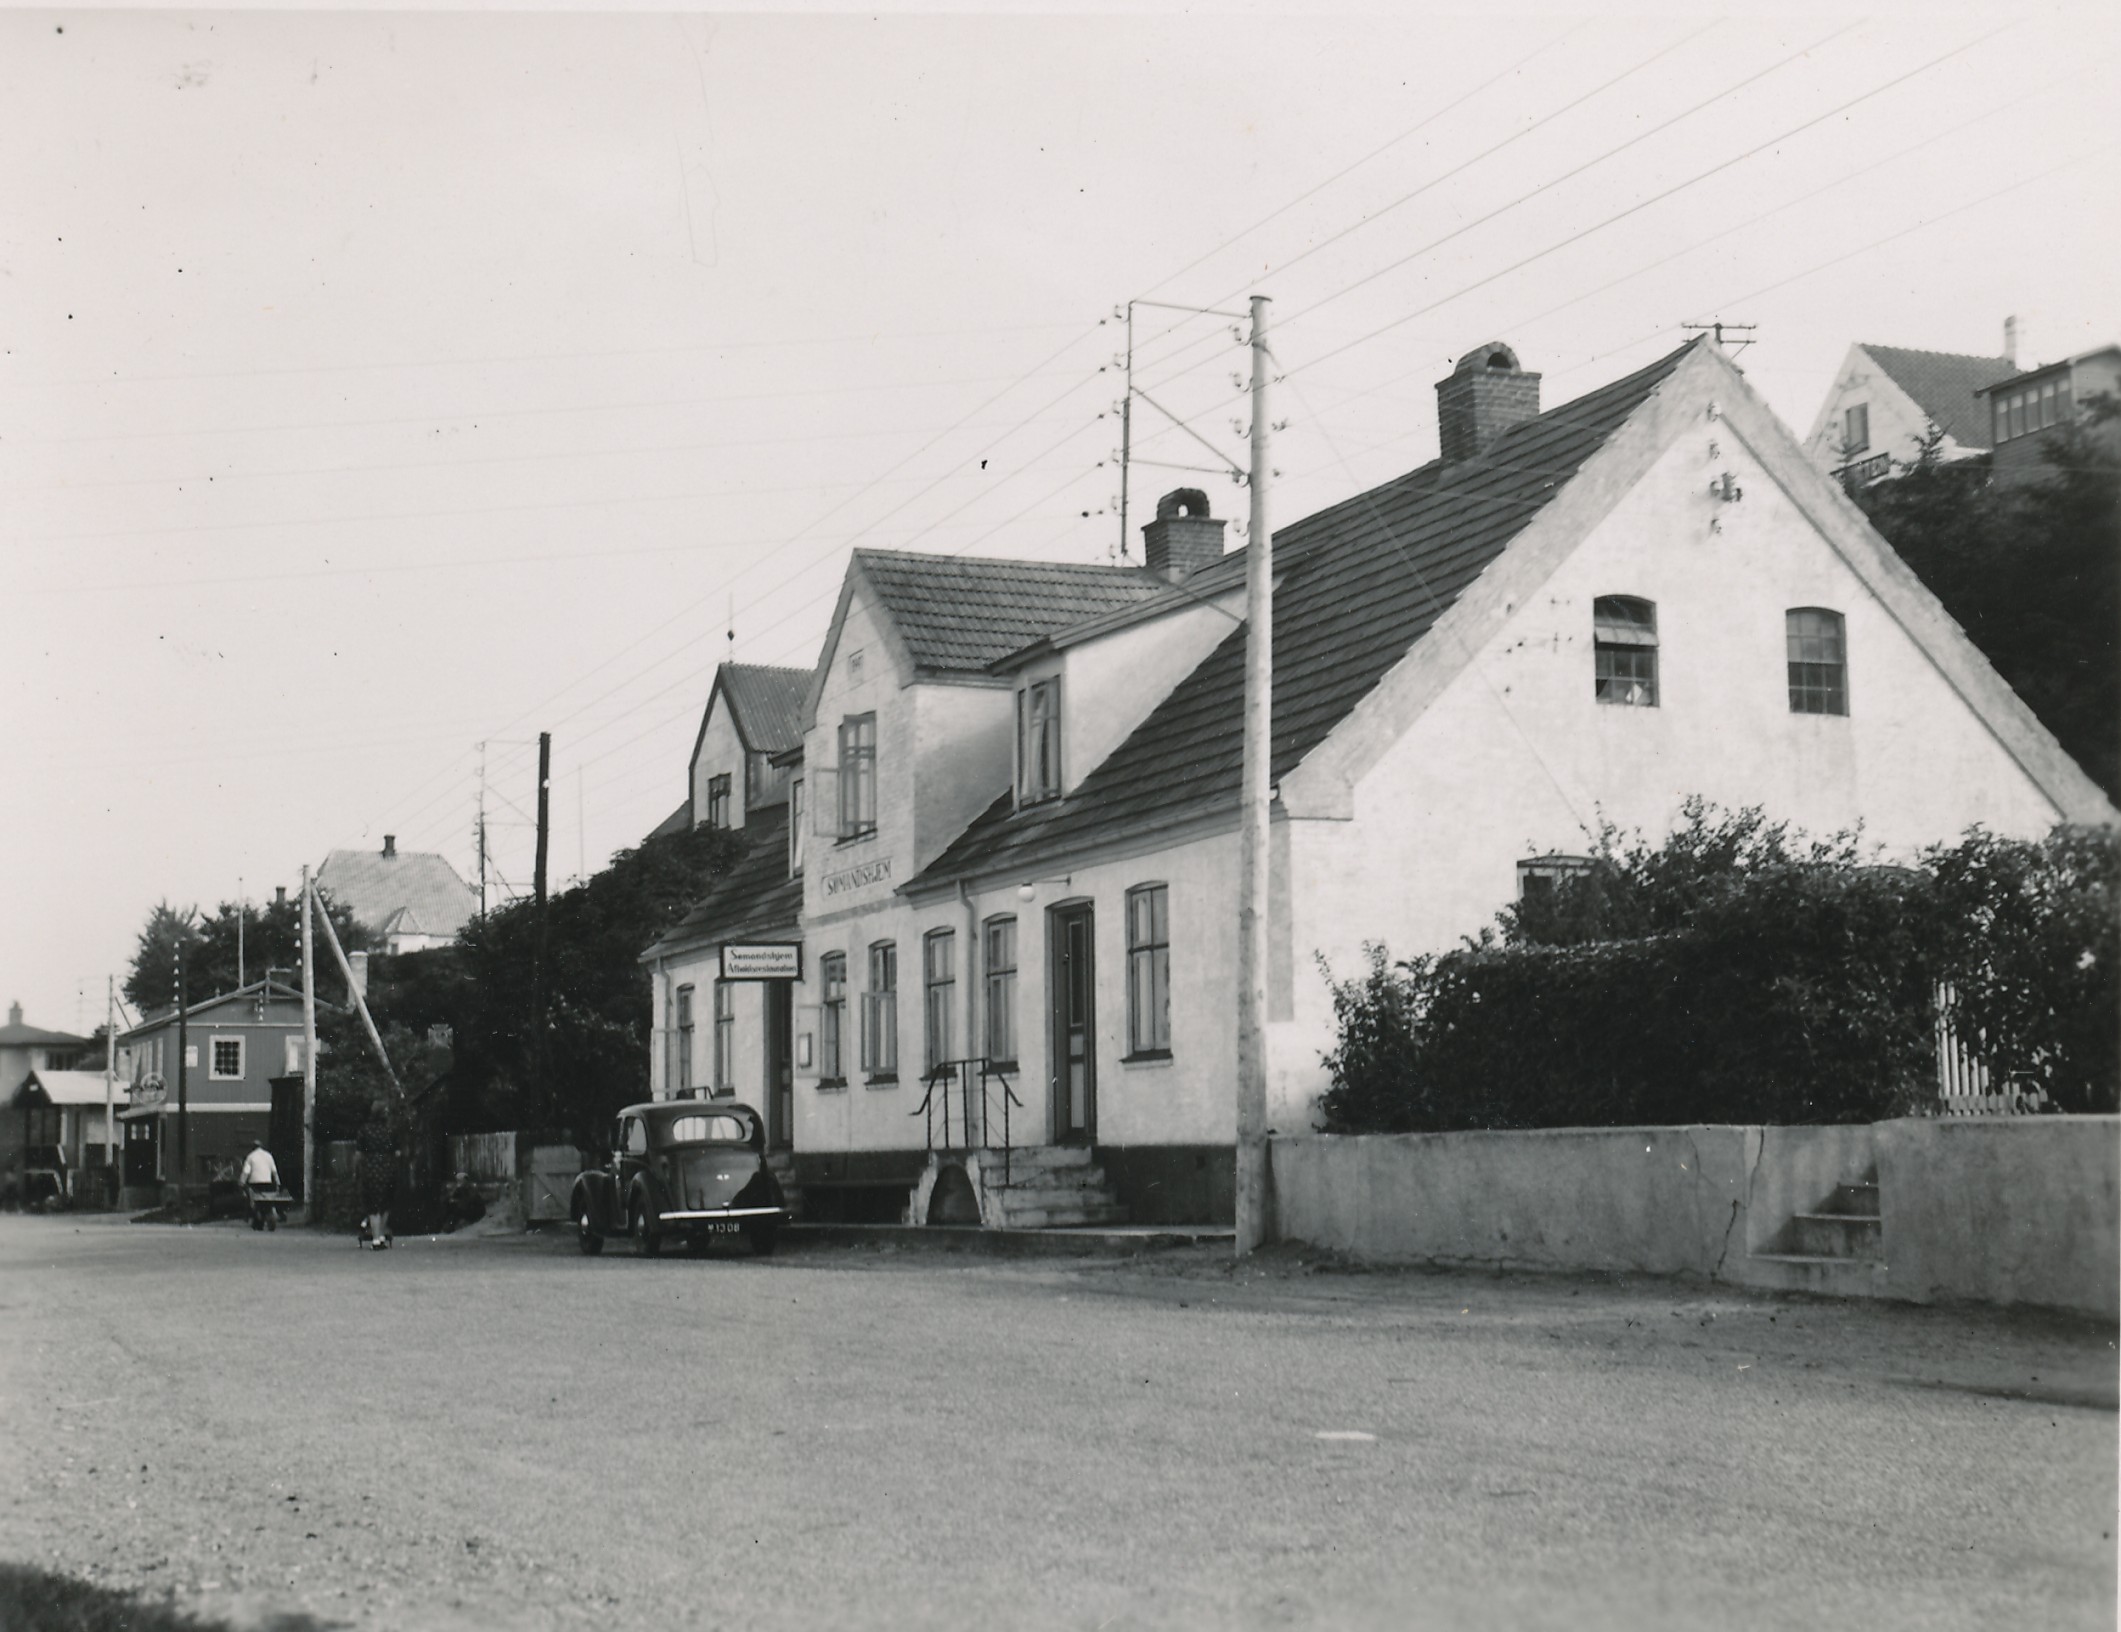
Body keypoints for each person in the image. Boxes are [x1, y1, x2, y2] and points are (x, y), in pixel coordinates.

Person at [356, 1092, 403, 1249]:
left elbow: (359, 1153)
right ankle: (381, 1235)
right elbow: (398, 1152)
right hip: (388, 1168)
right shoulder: (392, 1130)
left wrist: (357, 1169)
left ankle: (375, 1239)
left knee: (372, 1206)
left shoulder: (364, 1130)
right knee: (385, 1204)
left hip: (370, 1169)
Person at [239, 1140, 282, 1231]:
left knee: (252, 1201)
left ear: (253, 1148)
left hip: (255, 1185)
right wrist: (278, 1183)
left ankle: (252, 1218)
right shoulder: (269, 1156)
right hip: (268, 1184)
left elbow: (246, 1172)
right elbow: (274, 1171)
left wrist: (242, 1182)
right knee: (267, 1201)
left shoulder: (250, 1156)